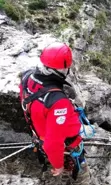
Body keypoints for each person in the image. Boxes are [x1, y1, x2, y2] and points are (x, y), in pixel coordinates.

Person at [18, 42, 91, 184]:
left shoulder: (27, 77)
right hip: (65, 146)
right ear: (64, 69)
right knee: (82, 178)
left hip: (40, 136)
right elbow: (53, 143)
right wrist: (58, 165)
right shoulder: (58, 101)